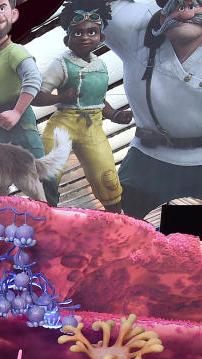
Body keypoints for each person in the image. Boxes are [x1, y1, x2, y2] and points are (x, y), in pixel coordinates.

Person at [100, 0, 202, 219]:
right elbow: (93, 7)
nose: (185, 13)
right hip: (147, 165)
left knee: (186, 244)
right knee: (131, 238)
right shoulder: (138, 27)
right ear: (161, 15)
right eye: (175, 7)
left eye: (195, 5)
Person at [34, 0, 133, 213]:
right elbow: (36, 97)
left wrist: (115, 115)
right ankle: (40, 220)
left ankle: (116, 223)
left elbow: (98, 100)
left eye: (92, 32)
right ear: (67, 39)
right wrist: (61, 96)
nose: (85, 36)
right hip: (63, 125)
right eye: (78, 33)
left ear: (102, 37)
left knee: (107, 177)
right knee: (45, 176)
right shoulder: (61, 64)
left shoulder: (101, 65)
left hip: (92, 127)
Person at [0, 0, 61, 206]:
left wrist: (17, 112)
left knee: (39, 170)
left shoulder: (16, 51)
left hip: (19, 119)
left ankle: (51, 214)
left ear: (13, 15)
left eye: (2, 8)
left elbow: (33, 79)